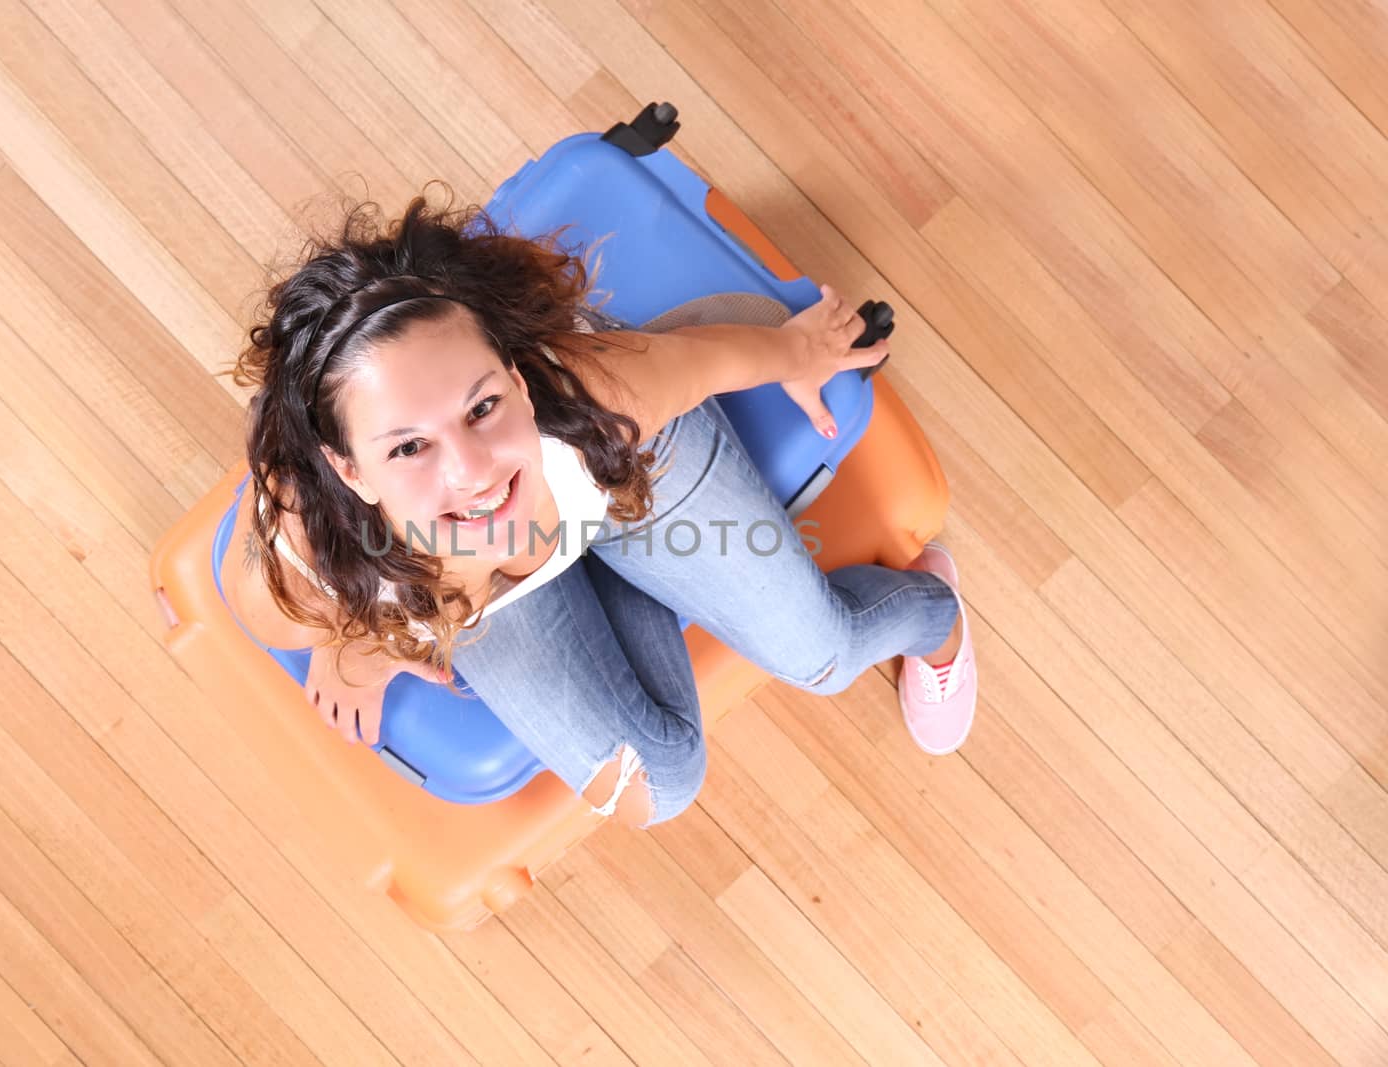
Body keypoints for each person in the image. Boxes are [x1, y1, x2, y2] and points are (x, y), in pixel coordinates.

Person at [218, 191, 976, 830]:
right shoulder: (297, 584)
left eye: (481, 405)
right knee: (655, 790)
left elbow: (714, 360)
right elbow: (310, 569)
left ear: (516, 380)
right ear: (350, 470)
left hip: (613, 470)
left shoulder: (595, 395)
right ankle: (620, 570)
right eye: (409, 448)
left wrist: (798, 352)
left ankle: (936, 619)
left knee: (826, 657)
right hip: (481, 584)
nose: (474, 471)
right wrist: (352, 643)